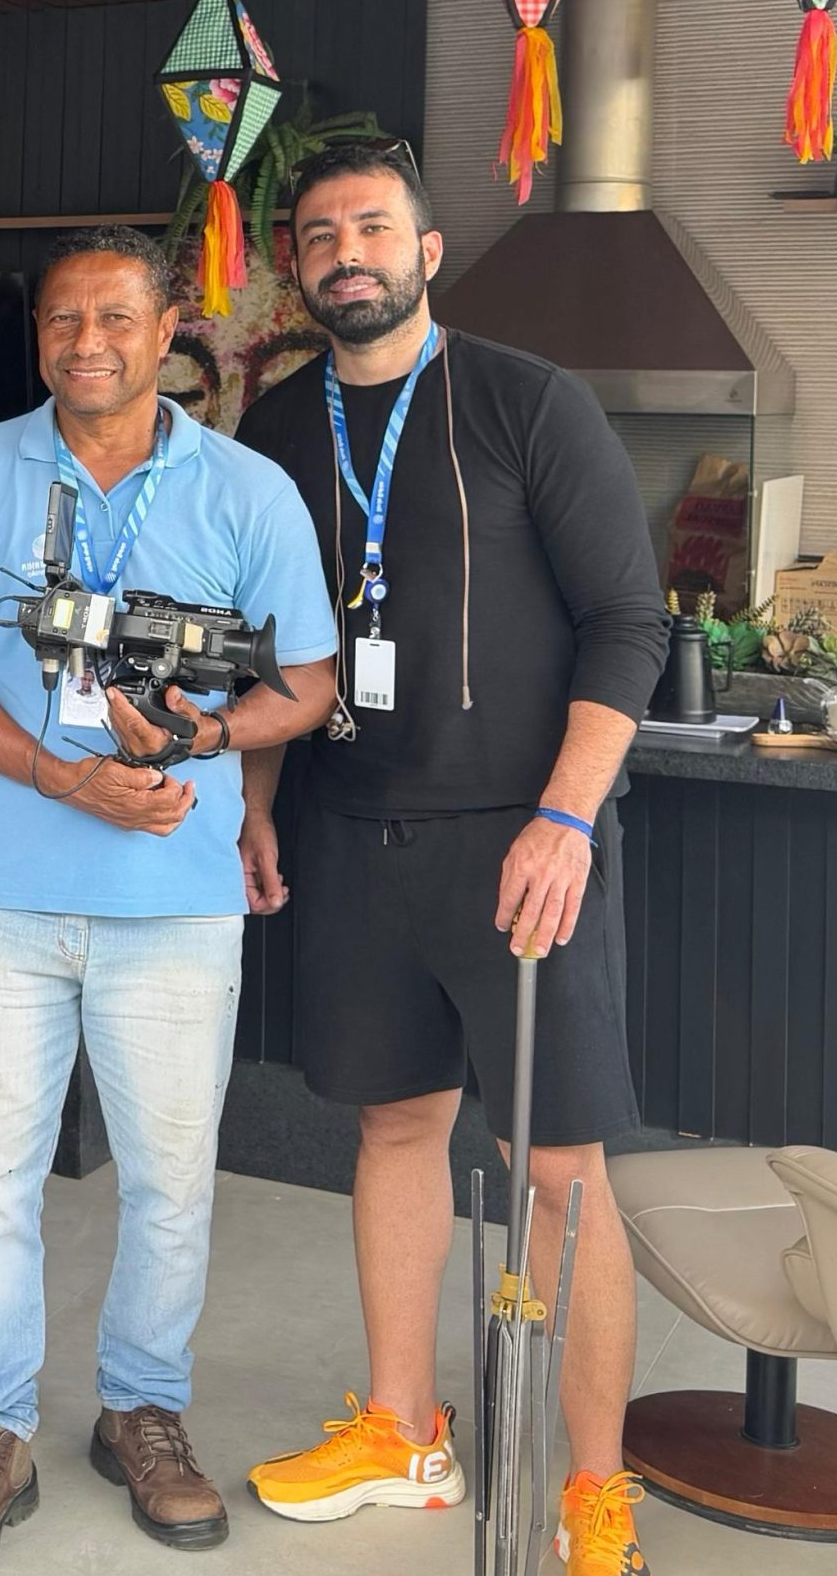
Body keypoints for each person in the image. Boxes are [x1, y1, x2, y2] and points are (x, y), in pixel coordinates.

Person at [233, 143, 668, 1576]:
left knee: (560, 1168)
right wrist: (257, 802)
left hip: (519, 841)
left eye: (372, 226)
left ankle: (593, 1489)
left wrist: (566, 815)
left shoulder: (526, 400)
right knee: (392, 1129)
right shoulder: (277, 422)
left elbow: (628, 621)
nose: (344, 251)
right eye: (318, 234)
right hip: (352, 832)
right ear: (298, 268)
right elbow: (275, 640)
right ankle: (403, 1426)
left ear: (426, 252)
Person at [0, 226, 337, 1572]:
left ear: (166, 330)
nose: (85, 341)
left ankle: (142, 1408)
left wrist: (206, 742)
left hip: (175, 897)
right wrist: (59, 775)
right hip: (1, 890)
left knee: (169, 1183)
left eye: (114, 317)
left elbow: (306, 683)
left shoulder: (249, 489)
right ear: (39, 334)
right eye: (61, 318)